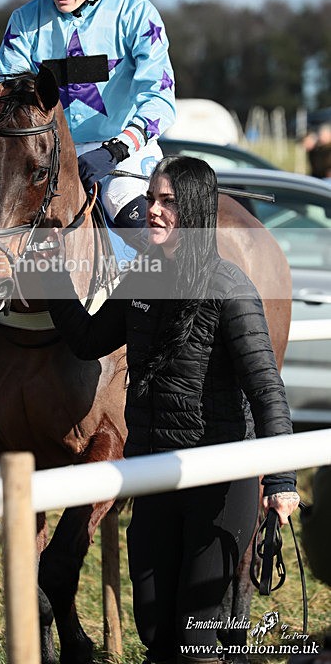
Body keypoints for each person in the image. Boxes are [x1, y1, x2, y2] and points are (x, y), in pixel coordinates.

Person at [35, 156, 300, 663]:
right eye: (151, 199)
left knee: (196, 642)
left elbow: (267, 391)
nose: (152, 212)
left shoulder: (232, 288)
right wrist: (50, 273)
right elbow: (89, 338)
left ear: (195, 211)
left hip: (219, 485)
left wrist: (283, 481)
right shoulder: (141, 278)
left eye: (167, 202)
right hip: (153, 476)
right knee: (155, 629)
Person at [0, 0, 176, 234]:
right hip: (47, 156)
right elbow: (11, 101)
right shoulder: (23, 22)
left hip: (124, 154)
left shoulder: (136, 14)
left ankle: (163, 281)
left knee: (125, 208)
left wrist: (116, 149)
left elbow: (160, 100)